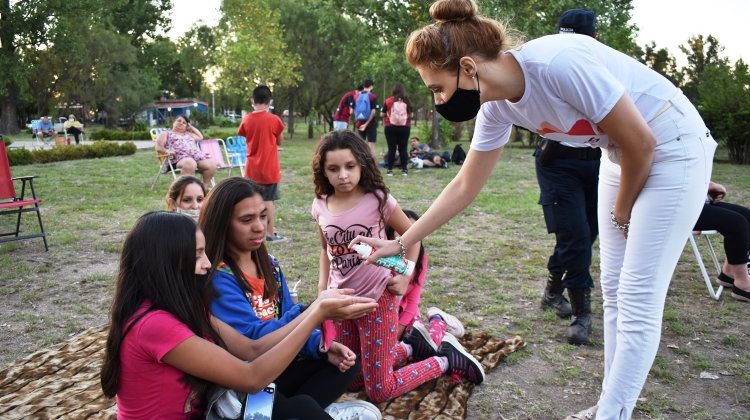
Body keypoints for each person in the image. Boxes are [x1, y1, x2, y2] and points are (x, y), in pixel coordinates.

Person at [351, 1, 717, 418]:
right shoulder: (494, 107)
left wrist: (622, 211)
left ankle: (613, 414)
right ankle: (610, 406)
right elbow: (465, 184)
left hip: (671, 147)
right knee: (614, 292)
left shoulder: (558, 63)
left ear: (467, 68)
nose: (436, 99)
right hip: (620, 156)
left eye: (437, 88)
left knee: (637, 296)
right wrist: (402, 242)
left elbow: (643, 142)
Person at [100, 211, 378, 419]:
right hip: (221, 402)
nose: (207, 264)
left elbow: (250, 347)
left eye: (262, 217)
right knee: (291, 405)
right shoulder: (154, 323)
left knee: (312, 380)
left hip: (222, 401)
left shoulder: (181, 304)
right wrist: (315, 313)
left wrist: (314, 333)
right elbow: (251, 376)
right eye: (197, 255)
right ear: (168, 263)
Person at [311, 130, 484, 404]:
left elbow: (412, 236)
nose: (343, 175)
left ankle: (444, 361)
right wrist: (322, 287)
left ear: (362, 165)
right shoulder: (320, 206)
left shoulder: (377, 199)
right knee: (352, 378)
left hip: (377, 299)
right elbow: (325, 249)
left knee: (379, 390)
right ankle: (409, 346)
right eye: (334, 169)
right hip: (341, 303)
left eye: (350, 166)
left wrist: (406, 274)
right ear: (323, 171)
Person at [200, 177, 382, 419]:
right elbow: (250, 344)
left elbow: (288, 317)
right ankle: (297, 411)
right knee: (303, 407)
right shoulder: (219, 278)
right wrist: (311, 311)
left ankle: (294, 411)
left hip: (280, 367)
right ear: (221, 224)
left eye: (263, 216)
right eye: (246, 220)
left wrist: (319, 347)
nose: (259, 227)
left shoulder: (269, 265)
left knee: (343, 364)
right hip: (246, 381)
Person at [534, 8, 602, 346]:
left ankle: (551, 290)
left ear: (593, 41)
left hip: (598, 161)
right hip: (557, 162)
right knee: (575, 235)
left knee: (586, 234)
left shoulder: (602, 68)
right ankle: (582, 314)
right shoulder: (550, 68)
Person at [384, 209, 465, 347]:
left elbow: (412, 300)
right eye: (402, 230)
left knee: (423, 344)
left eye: (414, 232)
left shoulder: (421, 259)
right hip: (384, 314)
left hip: (405, 314)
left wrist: (399, 329)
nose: (409, 236)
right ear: (391, 232)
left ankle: (438, 319)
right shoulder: (383, 258)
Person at [238, 85, 287, 243]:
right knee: (268, 201)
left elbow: (245, 135)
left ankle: (255, 229)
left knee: (253, 199)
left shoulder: (246, 119)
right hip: (269, 168)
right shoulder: (274, 120)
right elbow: (280, 142)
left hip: (252, 168)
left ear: (252, 101)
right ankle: (270, 234)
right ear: (270, 101)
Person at [694, 181, 750, 302]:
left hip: (698, 202)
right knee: (737, 223)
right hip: (678, 207)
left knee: (747, 216)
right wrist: (709, 186)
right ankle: (743, 284)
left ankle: (728, 273)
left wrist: (708, 187)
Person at [155, 115, 217, 185]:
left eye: (184, 123)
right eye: (179, 121)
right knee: (190, 163)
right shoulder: (166, 133)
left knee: (211, 165)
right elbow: (158, 147)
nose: (181, 123)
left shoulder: (188, 134)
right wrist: (167, 151)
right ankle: (186, 189)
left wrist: (191, 127)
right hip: (179, 157)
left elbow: (200, 137)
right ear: (173, 122)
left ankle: (204, 187)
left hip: (196, 156)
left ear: (186, 127)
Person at [382, 84, 414, 176]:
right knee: (403, 148)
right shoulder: (407, 101)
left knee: (391, 149)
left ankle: (389, 170)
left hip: (390, 127)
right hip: (404, 127)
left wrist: (389, 115)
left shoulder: (388, 101)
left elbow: (382, 114)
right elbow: (411, 115)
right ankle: (404, 170)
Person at [353, 80, 380, 159]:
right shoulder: (372, 96)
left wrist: (358, 122)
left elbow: (355, 110)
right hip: (371, 123)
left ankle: (362, 164)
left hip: (359, 123)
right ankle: (372, 165)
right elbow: (373, 111)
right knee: (371, 145)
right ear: (371, 86)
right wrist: (366, 124)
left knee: (361, 145)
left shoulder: (356, 96)